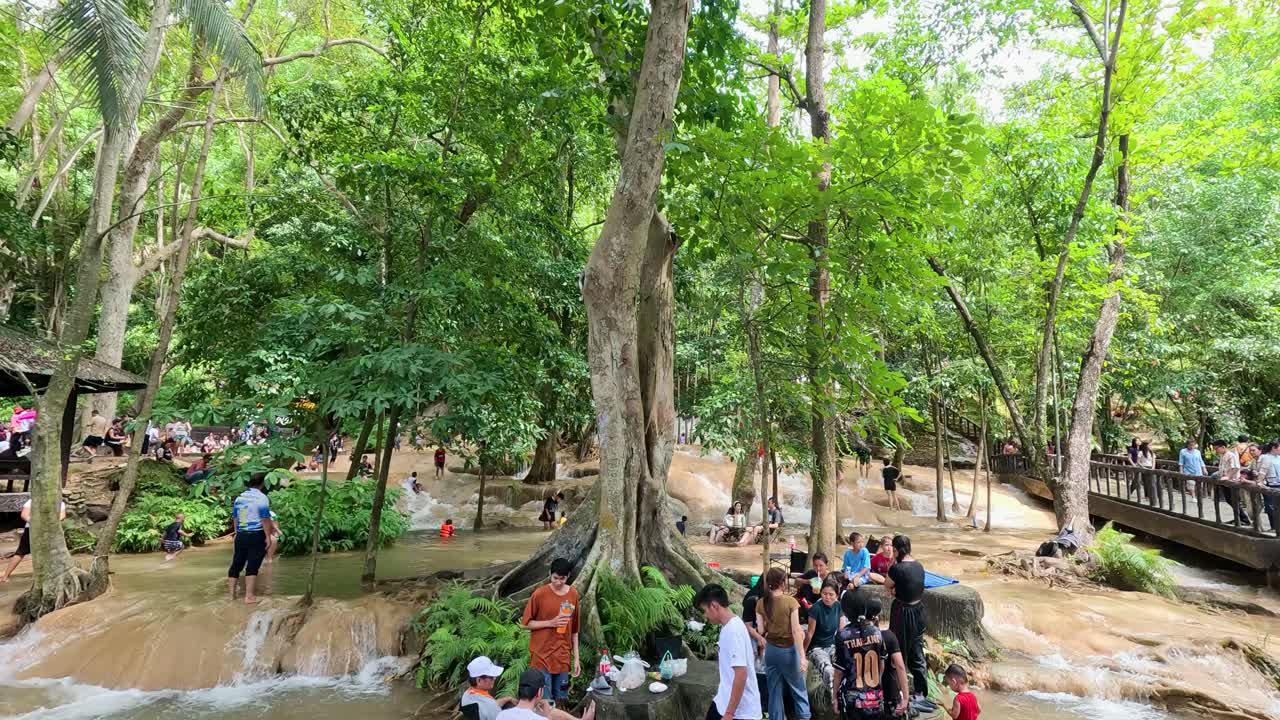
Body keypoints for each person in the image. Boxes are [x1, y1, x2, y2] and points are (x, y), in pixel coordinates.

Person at [832, 594, 908, 720]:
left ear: (846, 612)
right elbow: (882, 665)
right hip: (875, 698)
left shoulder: (843, 635)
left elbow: (838, 672)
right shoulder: (876, 632)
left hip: (853, 699)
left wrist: (834, 696)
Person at [695, 583, 763, 720]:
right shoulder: (729, 625)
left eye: (704, 610)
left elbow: (741, 674)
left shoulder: (733, 631)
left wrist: (729, 713)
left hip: (741, 712)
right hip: (723, 700)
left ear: (714, 605)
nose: (705, 616)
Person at [519, 558, 581, 709]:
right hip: (541, 657)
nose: (558, 582)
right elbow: (525, 624)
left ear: (568, 577)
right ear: (549, 574)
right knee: (544, 702)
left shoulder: (573, 594)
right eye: (555, 578)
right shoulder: (539, 594)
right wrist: (550, 623)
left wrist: (576, 658)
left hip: (563, 658)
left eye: (562, 578)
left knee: (561, 699)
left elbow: (574, 630)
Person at [756, 567, 811, 720]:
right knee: (798, 689)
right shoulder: (791, 602)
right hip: (788, 651)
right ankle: (804, 717)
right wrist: (802, 657)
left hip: (771, 652)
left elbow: (761, 630)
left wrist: (770, 625)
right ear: (782, 582)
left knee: (774, 691)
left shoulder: (761, 603)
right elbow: (795, 631)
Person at [884, 535, 927, 701]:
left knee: (896, 650)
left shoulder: (896, 569)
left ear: (896, 550)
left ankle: (896, 691)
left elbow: (887, 586)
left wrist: (895, 590)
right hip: (918, 611)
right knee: (917, 651)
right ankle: (921, 692)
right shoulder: (919, 565)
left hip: (902, 612)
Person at [228, 476, 275, 604]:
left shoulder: (240, 498)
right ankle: (249, 596)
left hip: (242, 534)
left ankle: (231, 595)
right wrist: (267, 536)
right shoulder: (262, 498)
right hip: (256, 534)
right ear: (262, 484)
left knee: (236, 564)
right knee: (253, 565)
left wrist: (237, 532)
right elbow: (265, 519)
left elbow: (237, 517)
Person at [2, 496, 67, 582]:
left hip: (49, 530)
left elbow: (62, 516)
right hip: (33, 529)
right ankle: (5, 576)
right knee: (21, 551)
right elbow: (24, 515)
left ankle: (48, 576)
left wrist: (48, 523)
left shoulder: (59, 502)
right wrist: (37, 523)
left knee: (47, 552)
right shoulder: (33, 500)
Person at [494, 668, 595, 720]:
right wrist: (547, 717)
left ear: (518, 688)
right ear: (539, 692)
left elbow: (553, 712)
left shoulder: (501, 715)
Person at [806, 578, 846, 688]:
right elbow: (809, 634)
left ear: (837, 595)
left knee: (845, 664)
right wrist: (803, 653)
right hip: (816, 648)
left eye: (831, 594)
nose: (827, 597)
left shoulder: (838, 606)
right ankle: (832, 701)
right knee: (829, 671)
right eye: (824, 594)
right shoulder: (815, 609)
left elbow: (842, 631)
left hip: (832, 646)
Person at [461, 656, 514, 720]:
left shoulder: (467, 694)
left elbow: (490, 705)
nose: (494, 678)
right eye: (491, 677)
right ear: (479, 680)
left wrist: (507, 699)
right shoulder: (491, 707)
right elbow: (492, 707)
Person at [1260, 441, 1280, 532]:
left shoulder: (1278, 457)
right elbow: (1262, 471)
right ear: (1273, 448)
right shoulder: (1265, 457)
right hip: (1271, 484)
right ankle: (1274, 526)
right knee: (1271, 506)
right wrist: (1260, 481)